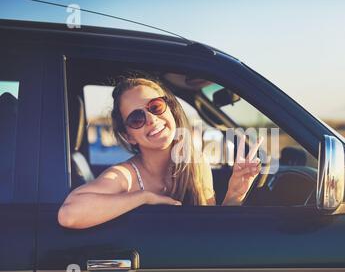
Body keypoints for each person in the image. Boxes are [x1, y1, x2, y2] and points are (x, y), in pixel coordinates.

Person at [58, 78, 262, 229]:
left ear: (170, 109)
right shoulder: (125, 176)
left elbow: (211, 230)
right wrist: (144, 198)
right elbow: (69, 214)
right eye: (136, 118)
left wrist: (236, 193)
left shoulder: (196, 164)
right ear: (129, 136)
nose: (151, 119)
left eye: (155, 107)